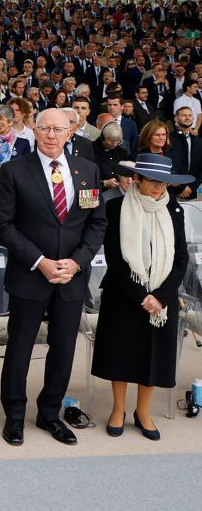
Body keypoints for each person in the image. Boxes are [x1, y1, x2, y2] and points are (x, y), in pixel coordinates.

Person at [0, 107, 107, 447]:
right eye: (44, 129)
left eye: (59, 129)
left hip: (70, 276)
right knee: (20, 348)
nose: (52, 135)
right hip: (31, 274)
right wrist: (40, 261)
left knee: (63, 350)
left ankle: (49, 413)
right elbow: (2, 226)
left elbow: (96, 222)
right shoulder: (14, 171)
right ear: (34, 130)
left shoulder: (88, 171)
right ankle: (14, 416)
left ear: (70, 132)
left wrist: (76, 262)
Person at [91, 154, 190, 441]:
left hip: (162, 298)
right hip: (124, 293)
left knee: (155, 355)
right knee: (121, 353)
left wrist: (160, 296)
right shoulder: (116, 207)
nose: (159, 187)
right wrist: (141, 295)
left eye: (164, 182)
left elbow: (180, 258)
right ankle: (118, 409)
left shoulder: (175, 210)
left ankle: (142, 412)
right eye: (152, 181)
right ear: (136, 179)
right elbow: (114, 257)